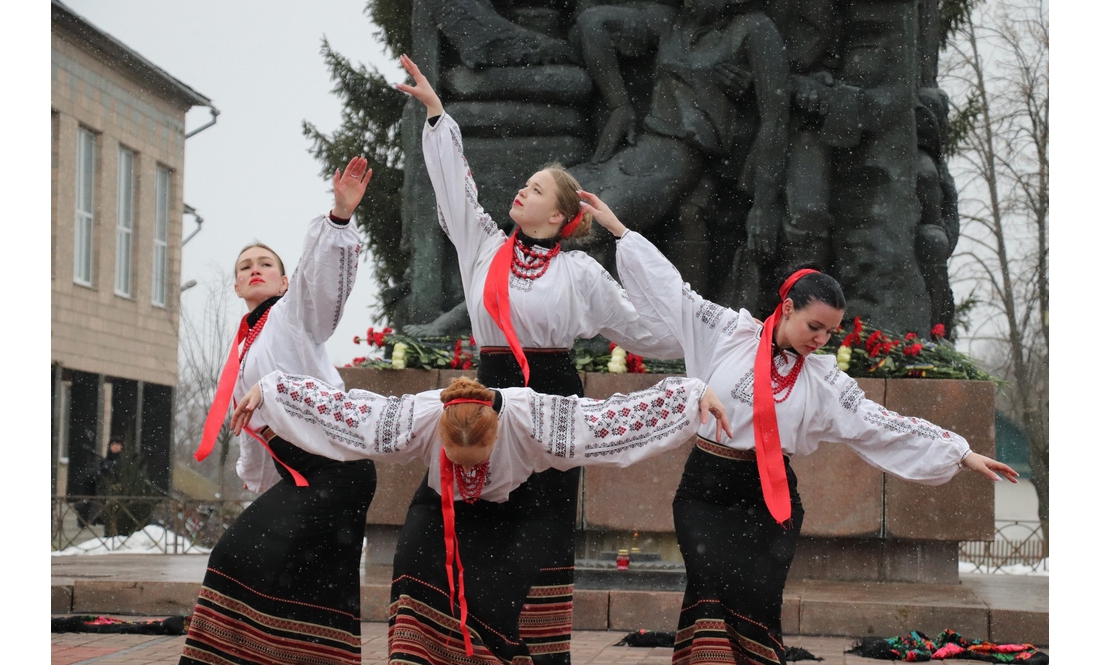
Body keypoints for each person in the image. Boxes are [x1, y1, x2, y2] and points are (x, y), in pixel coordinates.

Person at [577, 189, 1019, 665]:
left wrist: (959, 451)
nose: (821, 340)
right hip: (707, 491)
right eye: (814, 327)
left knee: (758, 607)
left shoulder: (823, 382)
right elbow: (674, 293)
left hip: (771, 501)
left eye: (830, 332)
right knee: (709, 594)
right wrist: (622, 233)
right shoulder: (727, 334)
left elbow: (880, 423)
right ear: (787, 308)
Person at [396, 53, 682, 664]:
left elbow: (649, 333)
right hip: (486, 392)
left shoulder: (581, 272)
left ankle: (526, 646)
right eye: (524, 184)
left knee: (540, 534)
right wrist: (437, 113)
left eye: (534, 189)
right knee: (461, 515)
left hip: (554, 398)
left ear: (558, 216)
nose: (520, 190)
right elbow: (455, 189)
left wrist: (702, 332)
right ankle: (456, 639)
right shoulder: (483, 247)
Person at [231, 371, 732, 664]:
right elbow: (346, 413)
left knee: (489, 610)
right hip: (440, 506)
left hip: (514, 513)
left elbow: (610, 424)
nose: (470, 466)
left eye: (479, 460)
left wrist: (691, 396)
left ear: (496, 435)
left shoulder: (534, 419)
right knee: (411, 586)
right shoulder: (420, 417)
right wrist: (271, 392)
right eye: (457, 457)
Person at [178, 157, 376, 665]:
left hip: (337, 467)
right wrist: (255, 482)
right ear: (237, 287)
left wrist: (338, 218)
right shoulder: (241, 351)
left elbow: (319, 282)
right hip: (303, 473)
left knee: (234, 556)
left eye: (266, 263)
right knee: (312, 587)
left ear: (283, 283)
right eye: (245, 266)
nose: (255, 269)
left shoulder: (292, 317)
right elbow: (252, 435)